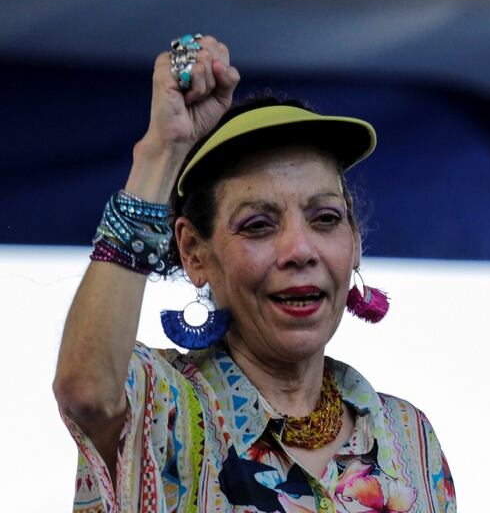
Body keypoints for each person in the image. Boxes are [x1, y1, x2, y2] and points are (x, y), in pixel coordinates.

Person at [54, 34, 456, 512]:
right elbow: (87, 390)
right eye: (259, 225)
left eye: (325, 218)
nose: (299, 249)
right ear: (194, 253)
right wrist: (162, 151)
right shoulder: (163, 407)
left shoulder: (408, 436)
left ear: (355, 242)